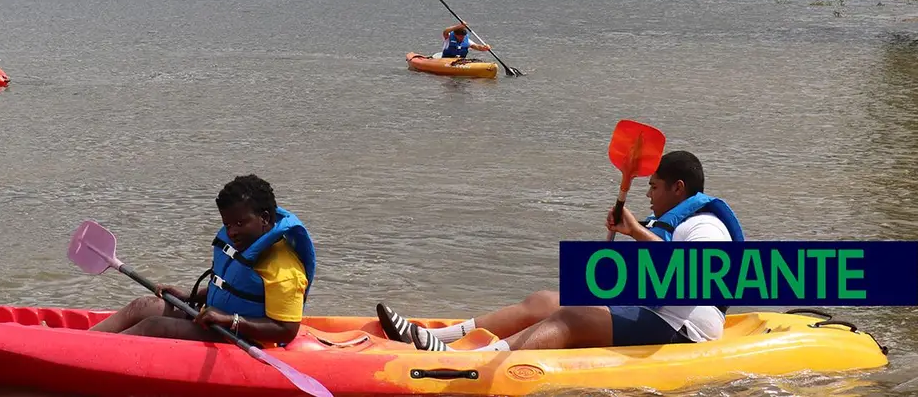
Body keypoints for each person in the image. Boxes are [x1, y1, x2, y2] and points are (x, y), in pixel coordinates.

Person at [375, 150, 745, 352]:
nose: (648, 194)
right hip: (649, 308)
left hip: (684, 327)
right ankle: (438, 337)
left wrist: (633, 231)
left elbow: (697, 277)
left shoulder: (706, 227)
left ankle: (470, 362)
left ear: (678, 189)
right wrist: (621, 237)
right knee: (543, 302)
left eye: (655, 187)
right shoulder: (666, 223)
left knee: (572, 317)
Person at [88, 174, 317, 345]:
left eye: (240, 223)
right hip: (216, 321)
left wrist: (231, 320)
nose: (232, 231)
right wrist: (190, 296)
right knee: (143, 306)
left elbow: (286, 330)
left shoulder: (284, 270)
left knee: (155, 326)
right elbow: (234, 288)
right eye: (228, 224)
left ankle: (88, 356)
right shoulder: (244, 244)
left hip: (244, 338)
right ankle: (82, 342)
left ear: (265, 218)